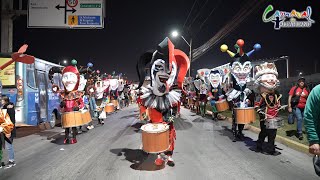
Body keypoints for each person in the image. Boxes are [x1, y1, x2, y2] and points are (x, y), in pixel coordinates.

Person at [136, 37, 189, 167]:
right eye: (159, 67)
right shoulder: (147, 94)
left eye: (169, 69)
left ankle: (169, 156)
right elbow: (142, 104)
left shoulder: (173, 95)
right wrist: (143, 112)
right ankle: (159, 155)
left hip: (168, 106)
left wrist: (174, 112)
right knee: (157, 130)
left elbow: (176, 107)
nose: (165, 72)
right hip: (154, 104)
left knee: (169, 130)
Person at [221, 39, 260, 142]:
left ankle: (240, 131)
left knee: (242, 113)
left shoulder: (246, 73)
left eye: (245, 68)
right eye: (239, 68)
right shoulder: (233, 67)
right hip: (235, 93)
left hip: (244, 93)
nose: (242, 72)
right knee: (235, 114)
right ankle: (234, 132)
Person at [254, 63, 282, 155]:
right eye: (268, 76)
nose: (271, 79)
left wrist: (279, 107)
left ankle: (271, 149)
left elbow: (277, 104)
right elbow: (256, 105)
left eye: (272, 76)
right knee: (264, 132)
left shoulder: (276, 94)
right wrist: (259, 110)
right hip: (265, 117)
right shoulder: (261, 95)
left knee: (272, 134)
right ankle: (259, 145)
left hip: (273, 116)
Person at [304, 84, 320, 155]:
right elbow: (310, 115)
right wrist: (314, 140)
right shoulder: (317, 90)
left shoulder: (306, 90)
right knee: (299, 119)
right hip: (298, 106)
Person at [1, 95, 16, 168]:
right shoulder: (6, 107)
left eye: (1, 100)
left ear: (4, 101)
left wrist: (8, 131)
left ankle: (12, 161)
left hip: (8, 130)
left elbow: (10, 121)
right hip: (5, 129)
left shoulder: (7, 108)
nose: (1, 101)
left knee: (9, 146)